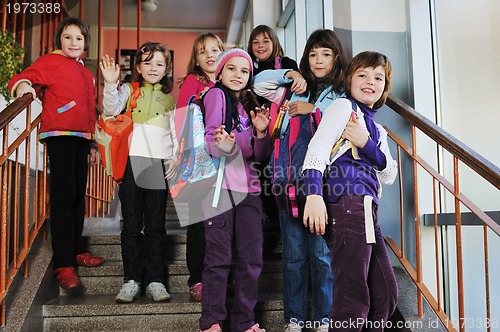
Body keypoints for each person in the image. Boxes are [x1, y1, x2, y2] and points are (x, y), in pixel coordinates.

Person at [253, 29, 349, 332]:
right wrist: (291, 73)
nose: (318, 60)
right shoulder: (294, 89)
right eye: (313, 54)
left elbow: (344, 124)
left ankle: (323, 319)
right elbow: (258, 82)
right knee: (293, 256)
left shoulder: (342, 93)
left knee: (322, 257)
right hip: (287, 183)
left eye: (326, 54)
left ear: (336, 58)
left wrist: (314, 109)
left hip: (325, 186)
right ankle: (294, 318)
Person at [301, 51, 399, 331]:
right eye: (362, 74)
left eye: (378, 77)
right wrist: (314, 194)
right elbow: (317, 149)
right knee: (352, 298)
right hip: (348, 203)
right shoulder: (344, 107)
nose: (370, 81)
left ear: (384, 87)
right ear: (349, 79)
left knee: (386, 296)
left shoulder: (377, 130)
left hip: (367, 208)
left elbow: (389, 173)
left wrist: (366, 143)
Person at [8, 17, 104, 290]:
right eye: (68, 37)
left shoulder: (87, 73)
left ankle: (76, 251)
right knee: (64, 197)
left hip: (82, 139)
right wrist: (24, 86)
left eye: (79, 38)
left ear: (86, 43)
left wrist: (94, 144)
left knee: (78, 198)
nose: (74, 42)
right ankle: (63, 264)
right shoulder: (51, 61)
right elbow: (24, 76)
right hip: (59, 136)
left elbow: (89, 112)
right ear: (59, 41)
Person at [100, 42, 178, 303]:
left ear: (167, 68)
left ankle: (156, 280)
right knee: (132, 223)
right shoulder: (128, 91)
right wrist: (111, 84)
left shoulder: (169, 100)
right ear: (138, 67)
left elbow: (174, 134)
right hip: (132, 162)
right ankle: (131, 279)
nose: (154, 68)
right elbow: (111, 109)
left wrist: (174, 157)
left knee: (155, 224)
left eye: (159, 63)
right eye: (148, 63)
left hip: (157, 164)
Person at [199, 48, 270, 332]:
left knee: (252, 258)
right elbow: (211, 141)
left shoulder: (247, 105)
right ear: (220, 72)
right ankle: (212, 321)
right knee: (219, 257)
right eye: (232, 69)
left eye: (244, 71)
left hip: (249, 189)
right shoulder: (216, 95)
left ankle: (244, 321)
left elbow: (259, 154)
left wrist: (261, 133)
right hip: (218, 188)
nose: (238, 75)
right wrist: (239, 141)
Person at [175, 32, 224, 302]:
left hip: (227, 163)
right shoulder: (193, 81)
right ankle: (197, 279)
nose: (210, 55)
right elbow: (180, 117)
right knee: (198, 223)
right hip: (198, 163)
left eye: (215, 49)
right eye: (203, 51)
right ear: (197, 57)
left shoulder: (231, 78)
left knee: (221, 222)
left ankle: (219, 276)